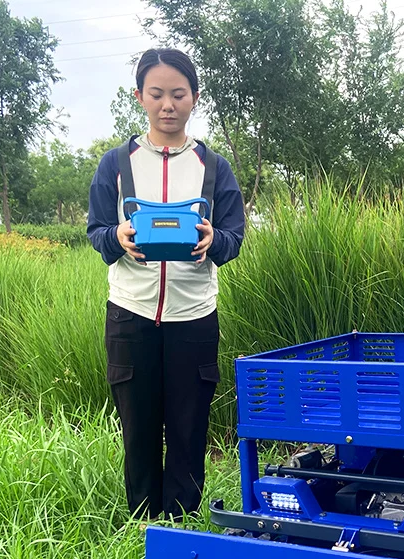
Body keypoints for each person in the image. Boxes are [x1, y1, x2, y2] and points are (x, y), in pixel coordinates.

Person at [87, 48, 245, 521]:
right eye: (156, 94)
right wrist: (116, 236)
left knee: (188, 424)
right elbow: (96, 231)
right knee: (137, 426)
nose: (167, 105)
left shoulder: (213, 167)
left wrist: (213, 239)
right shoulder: (115, 164)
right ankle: (142, 523)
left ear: (194, 98)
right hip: (130, 314)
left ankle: (183, 522)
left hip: (193, 316)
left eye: (178, 94)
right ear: (140, 97)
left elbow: (235, 237)